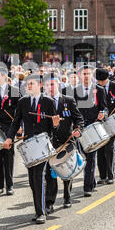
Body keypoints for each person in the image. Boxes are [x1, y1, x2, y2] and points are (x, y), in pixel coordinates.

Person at [2, 74, 60, 224]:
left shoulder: (48, 101)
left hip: (43, 144)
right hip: (29, 144)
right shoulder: (23, 102)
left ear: (40, 85)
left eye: (32, 83)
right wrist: (9, 138)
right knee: (32, 180)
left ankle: (41, 213)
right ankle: (39, 209)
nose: (28, 86)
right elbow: (16, 122)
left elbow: (54, 127)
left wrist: (55, 124)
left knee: (39, 176)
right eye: (27, 84)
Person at [43, 73, 84, 211]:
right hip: (50, 143)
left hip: (67, 140)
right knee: (50, 174)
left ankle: (67, 196)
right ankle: (49, 202)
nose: (51, 87)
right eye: (48, 85)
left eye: (53, 84)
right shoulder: (42, 102)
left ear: (59, 85)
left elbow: (79, 119)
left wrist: (79, 130)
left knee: (67, 170)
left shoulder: (68, 100)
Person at [74, 65, 107, 196]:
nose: (86, 76)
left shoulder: (99, 90)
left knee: (91, 157)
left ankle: (87, 187)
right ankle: (91, 180)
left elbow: (104, 108)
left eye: (88, 74)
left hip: (93, 126)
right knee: (83, 156)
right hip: (80, 128)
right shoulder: (74, 91)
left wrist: (102, 114)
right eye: (84, 74)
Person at [95, 68, 115, 185]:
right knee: (100, 149)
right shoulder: (95, 88)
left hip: (112, 121)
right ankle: (102, 176)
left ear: (106, 79)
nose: (99, 83)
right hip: (99, 121)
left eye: (101, 81)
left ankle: (110, 175)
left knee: (110, 149)